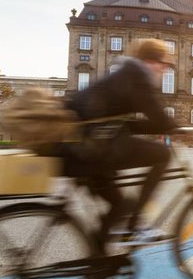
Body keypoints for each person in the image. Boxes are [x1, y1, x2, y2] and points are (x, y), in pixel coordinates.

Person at [59, 38, 178, 253]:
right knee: (162, 155)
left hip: (82, 147)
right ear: (151, 60)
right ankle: (134, 226)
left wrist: (163, 126)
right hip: (93, 148)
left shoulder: (125, 73)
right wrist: (175, 127)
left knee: (120, 206)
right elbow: (157, 117)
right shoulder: (137, 76)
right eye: (163, 62)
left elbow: (129, 125)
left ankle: (97, 269)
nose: (165, 68)